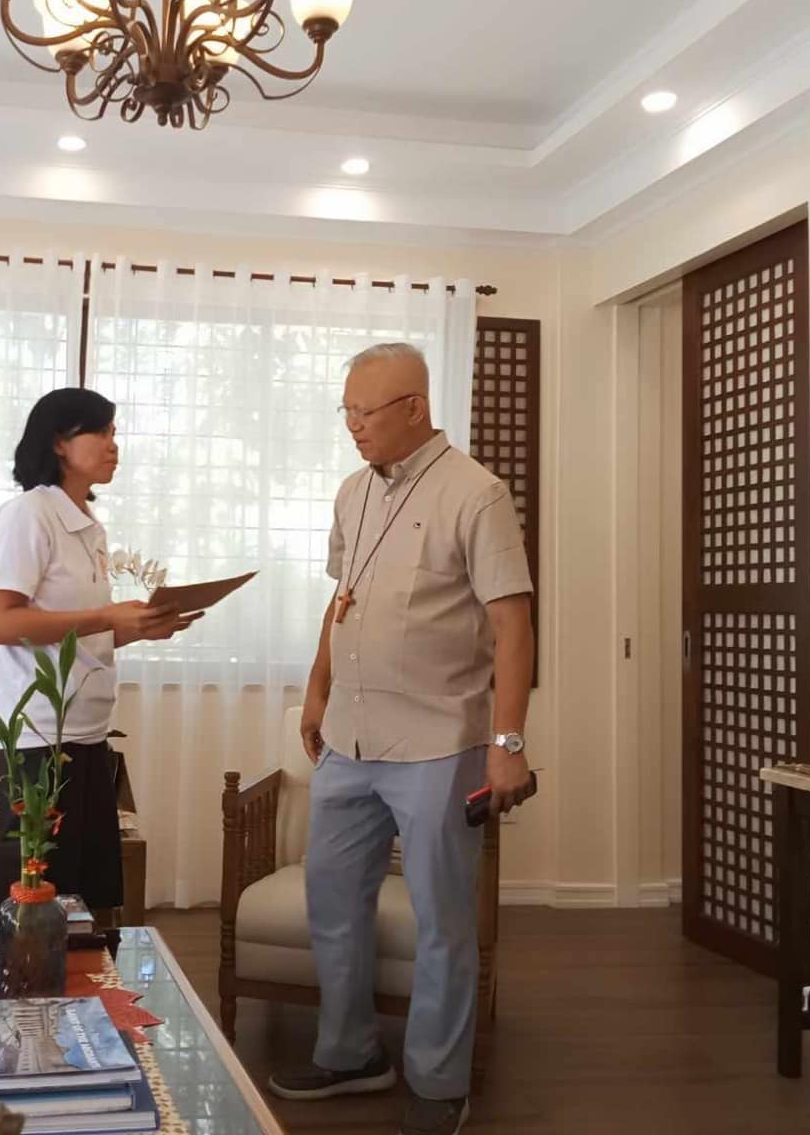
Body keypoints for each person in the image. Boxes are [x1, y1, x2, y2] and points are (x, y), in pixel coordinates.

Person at [269, 344, 535, 1135]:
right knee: (332, 899)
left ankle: (438, 1079)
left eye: (366, 412)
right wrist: (317, 689)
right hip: (349, 738)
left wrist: (507, 742)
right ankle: (351, 1053)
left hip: (439, 742)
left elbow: (512, 623)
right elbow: (342, 600)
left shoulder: (477, 494)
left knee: (442, 918)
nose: (353, 426)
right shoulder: (353, 492)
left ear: (415, 408)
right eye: (346, 411)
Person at [0, 388, 198, 915]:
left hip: (88, 734)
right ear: (59, 442)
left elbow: (74, 635)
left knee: (89, 899)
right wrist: (108, 616)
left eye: (114, 432)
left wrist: (138, 628)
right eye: (100, 432)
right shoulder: (28, 515)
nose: (113, 445)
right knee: (44, 903)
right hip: (38, 738)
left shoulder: (88, 527)